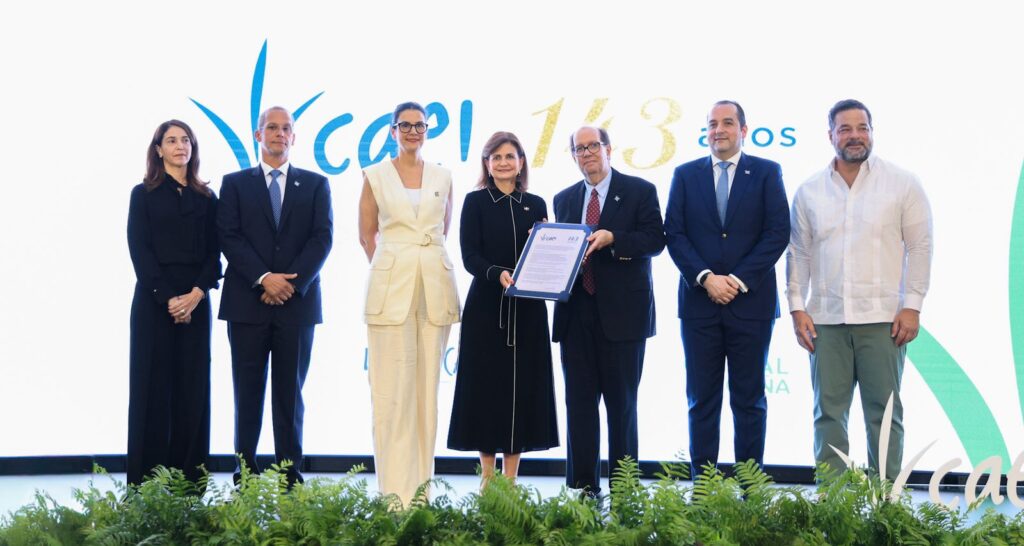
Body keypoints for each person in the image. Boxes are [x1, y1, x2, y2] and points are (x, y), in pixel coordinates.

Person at [786, 99, 933, 479]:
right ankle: (834, 502)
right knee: (828, 415)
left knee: (884, 415)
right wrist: (797, 308)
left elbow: (920, 247)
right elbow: (798, 253)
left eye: (862, 127)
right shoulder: (809, 190)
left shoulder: (902, 183)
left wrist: (912, 306)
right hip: (826, 321)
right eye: (846, 129)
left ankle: (886, 500)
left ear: (871, 131)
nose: (855, 136)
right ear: (830, 135)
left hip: (884, 320)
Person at [664, 100, 790, 477]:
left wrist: (735, 280)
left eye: (727, 123)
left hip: (751, 305)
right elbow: (674, 233)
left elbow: (777, 232)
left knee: (749, 401)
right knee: (701, 401)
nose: (718, 130)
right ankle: (704, 490)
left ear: (743, 130)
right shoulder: (685, 174)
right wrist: (706, 277)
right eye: (712, 124)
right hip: (699, 305)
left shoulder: (767, 172)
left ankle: (750, 490)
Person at [218, 106, 333, 487]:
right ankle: (245, 476)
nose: (279, 133)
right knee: (247, 395)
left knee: (289, 396)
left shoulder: (316, 184)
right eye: (272, 127)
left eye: (286, 128)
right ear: (258, 134)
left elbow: (322, 238)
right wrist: (264, 278)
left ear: (294, 137)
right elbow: (229, 236)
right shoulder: (234, 184)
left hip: (297, 306)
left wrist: (289, 285)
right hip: (246, 305)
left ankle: (289, 478)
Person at [551, 126, 665, 496]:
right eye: (579, 149)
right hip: (576, 315)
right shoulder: (564, 198)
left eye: (592, 146)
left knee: (622, 409)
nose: (586, 153)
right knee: (579, 407)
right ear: (573, 156)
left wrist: (614, 238)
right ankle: (583, 490)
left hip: (623, 318)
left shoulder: (639, 191)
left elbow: (655, 240)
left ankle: (625, 492)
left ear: (609, 149)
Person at [358, 101, 460, 506]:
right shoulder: (375, 175)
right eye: (405, 125)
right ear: (392, 130)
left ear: (427, 131)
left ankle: (421, 496)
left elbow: (443, 229)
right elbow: (367, 235)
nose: (413, 131)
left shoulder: (443, 176)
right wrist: (394, 267)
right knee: (390, 395)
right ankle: (393, 497)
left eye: (420, 125)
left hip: (434, 290)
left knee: (426, 395)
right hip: (390, 292)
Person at [447, 131, 559, 485]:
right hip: (487, 309)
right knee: (486, 390)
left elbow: (548, 254)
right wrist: (497, 273)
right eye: (496, 157)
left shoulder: (536, 204)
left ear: (521, 162)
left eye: (510, 156)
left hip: (527, 310)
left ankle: (510, 481)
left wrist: (549, 243)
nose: (503, 162)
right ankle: (487, 479)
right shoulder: (475, 201)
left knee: (522, 391)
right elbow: (470, 256)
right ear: (487, 163)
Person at [127, 119, 221, 486]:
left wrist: (195, 295)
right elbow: (140, 250)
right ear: (158, 149)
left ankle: (190, 486)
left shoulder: (207, 197)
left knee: (192, 391)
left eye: (186, 140)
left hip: (196, 303)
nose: (180, 146)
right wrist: (169, 300)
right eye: (171, 140)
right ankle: (146, 486)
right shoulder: (143, 194)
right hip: (154, 304)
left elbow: (215, 254)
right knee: (151, 390)